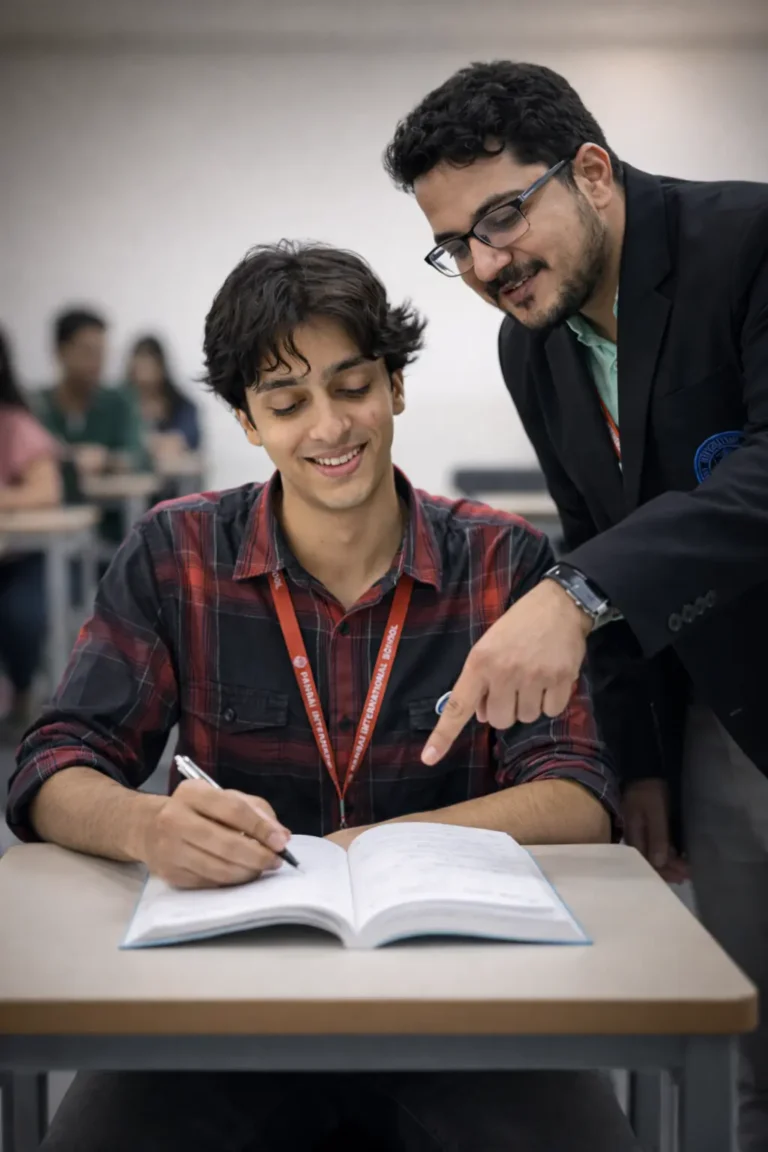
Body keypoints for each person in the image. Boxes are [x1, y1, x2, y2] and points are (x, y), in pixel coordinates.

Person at [6, 242, 639, 1152]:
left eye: (353, 387)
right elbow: (55, 760)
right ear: (246, 419)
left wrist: (361, 848)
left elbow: (579, 795)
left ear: (396, 388)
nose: (330, 427)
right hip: (219, 1005)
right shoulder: (175, 551)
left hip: (471, 1002)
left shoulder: (503, 561)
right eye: (287, 402)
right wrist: (150, 829)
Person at [384, 59, 768, 1150]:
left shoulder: (746, 244)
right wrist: (641, 759)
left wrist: (576, 593)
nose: (484, 263)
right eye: (453, 243)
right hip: (723, 719)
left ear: (590, 171)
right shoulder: (533, 344)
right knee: (747, 1043)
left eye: (501, 217)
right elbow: (594, 533)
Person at [36, 308, 148, 541]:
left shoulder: (119, 402)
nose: (96, 362)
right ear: (61, 352)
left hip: (112, 530)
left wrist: (105, 459)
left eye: (102, 353)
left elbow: (139, 457)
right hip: (47, 533)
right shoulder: (37, 406)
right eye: (87, 351)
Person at [0, 327, 62, 740]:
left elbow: (47, 490)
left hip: (17, 562)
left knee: (21, 619)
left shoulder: (15, 424)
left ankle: (23, 696)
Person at [125, 334, 201, 457]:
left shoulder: (181, 405)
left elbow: (187, 440)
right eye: (140, 367)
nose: (144, 376)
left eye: (149, 366)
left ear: (161, 368)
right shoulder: (119, 404)